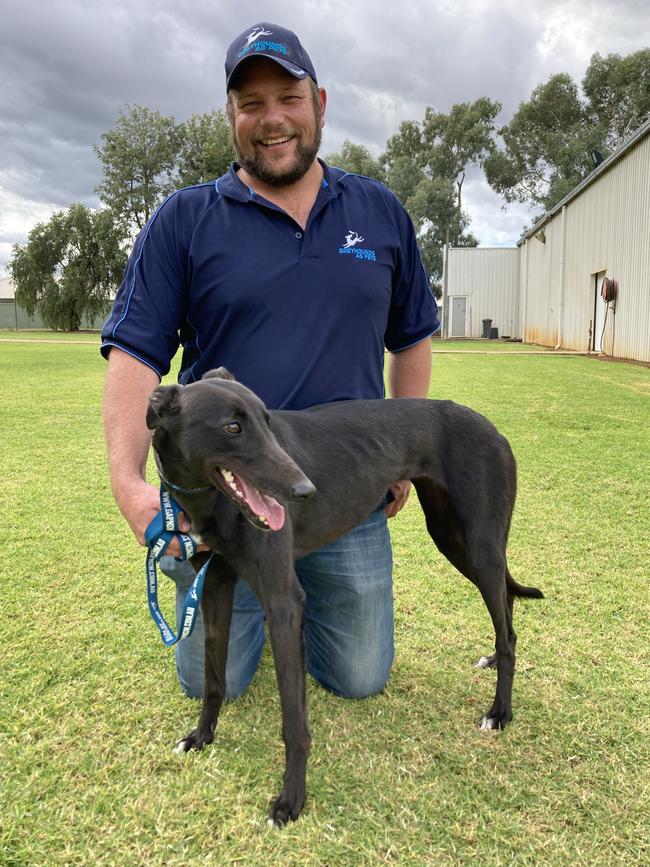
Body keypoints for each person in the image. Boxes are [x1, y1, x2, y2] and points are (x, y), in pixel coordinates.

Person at [101, 22, 439, 703]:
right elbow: (136, 351)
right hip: (223, 499)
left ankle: (306, 607)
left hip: (344, 487)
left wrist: (404, 452)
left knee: (359, 677)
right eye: (250, 103)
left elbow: (412, 337)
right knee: (208, 683)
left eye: (287, 97)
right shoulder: (184, 219)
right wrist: (130, 485)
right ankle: (259, 600)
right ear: (231, 116)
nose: (272, 118)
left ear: (320, 101)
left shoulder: (379, 212)